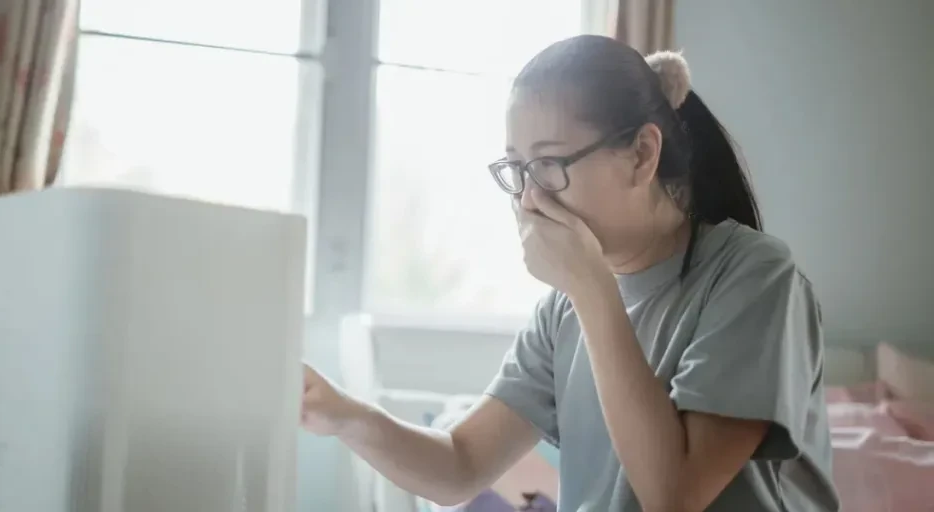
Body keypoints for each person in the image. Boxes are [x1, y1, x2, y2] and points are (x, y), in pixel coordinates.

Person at [301, 34, 839, 512]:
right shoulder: (564, 310)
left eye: (549, 165)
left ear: (641, 156)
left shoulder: (754, 277)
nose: (530, 198)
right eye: (518, 169)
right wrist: (346, 415)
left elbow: (674, 496)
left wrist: (588, 286)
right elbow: (460, 465)